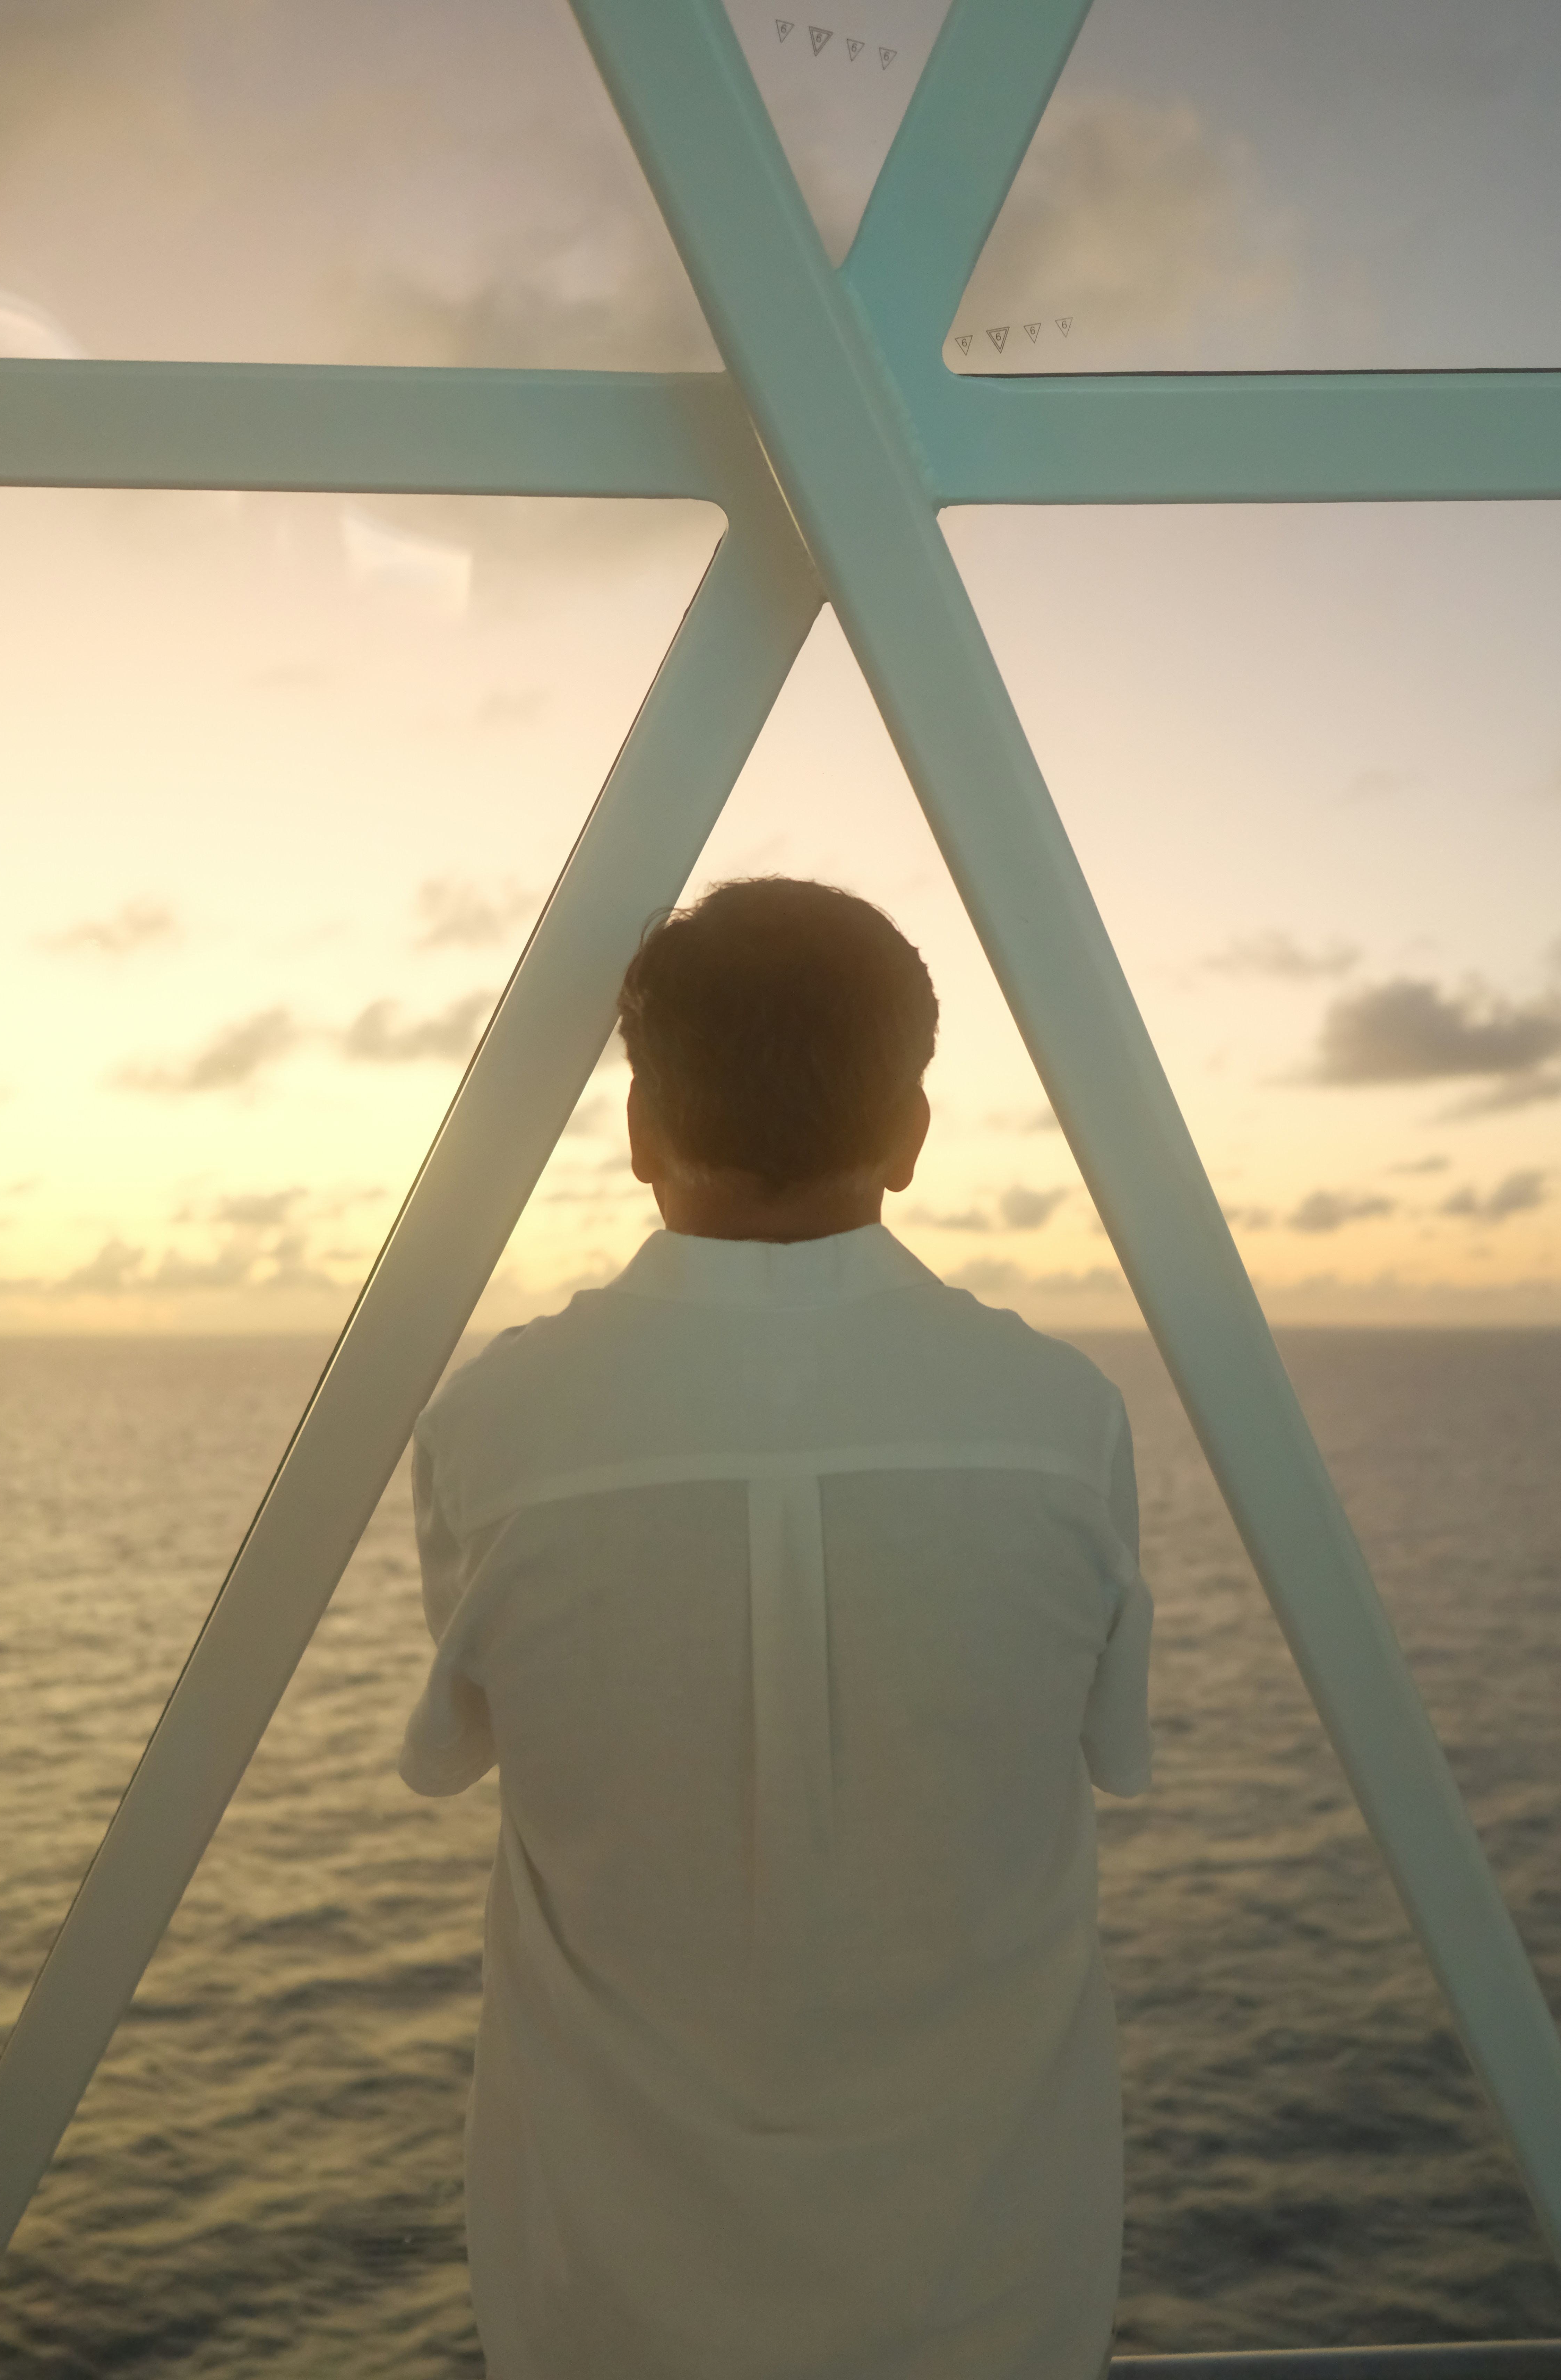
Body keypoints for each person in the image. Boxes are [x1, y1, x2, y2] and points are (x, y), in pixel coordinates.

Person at [399, 877, 1153, 2380]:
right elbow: (1108, 1748)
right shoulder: (1065, 1424)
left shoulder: (495, 1429)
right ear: (913, 1133)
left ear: (637, 1133)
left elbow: (470, 1748)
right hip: (992, 2284)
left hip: (601, 2296)